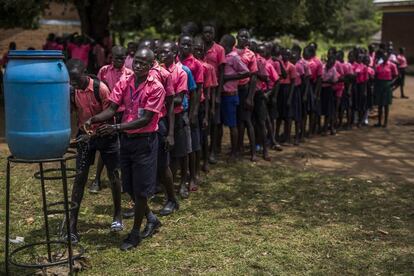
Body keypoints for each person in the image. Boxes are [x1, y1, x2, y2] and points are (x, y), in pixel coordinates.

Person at [84, 48, 164, 250]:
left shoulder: (156, 87)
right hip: (127, 140)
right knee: (128, 186)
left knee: (141, 190)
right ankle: (151, 218)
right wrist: (93, 119)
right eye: (136, 61)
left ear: (151, 65)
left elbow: (145, 119)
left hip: (144, 141)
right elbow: (111, 108)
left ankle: (135, 233)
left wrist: (115, 127)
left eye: (143, 63)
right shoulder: (126, 81)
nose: (137, 66)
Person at [66, 59, 123, 244]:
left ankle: (117, 215)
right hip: (85, 136)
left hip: (106, 135)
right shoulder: (72, 91)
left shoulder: (101, 89)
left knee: (114, 176)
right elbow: (71, 111)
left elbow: (110, 114)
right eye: (70, 80)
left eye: (75, 79)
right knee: (79, 178)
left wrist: (93, 130)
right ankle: (72, 225)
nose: (72, 83)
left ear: (85, 72)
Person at [89, 46, 132, 194]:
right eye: (116, 58)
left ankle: (122, 181)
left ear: (125, 58)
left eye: (122, 58)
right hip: (107, 113)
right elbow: (99, 90)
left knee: (123, 147)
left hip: (123, 114)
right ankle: (97, 179)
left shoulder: (130, 74)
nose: (119, 60)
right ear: (111, 57)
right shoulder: (104, 71)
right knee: (105, 147)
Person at [158, 40, 188, 211]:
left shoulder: (180, 72)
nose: (162, 55)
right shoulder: (158, 71)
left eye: (166, 52)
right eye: (160, 52)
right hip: (161, 116)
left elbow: (178, 98)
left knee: (176, 154)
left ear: (174, 53)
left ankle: (171, 192)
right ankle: (163, 186)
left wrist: (159, 98)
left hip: (175, 116)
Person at [177, 34, 204, 193]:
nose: (185, 48)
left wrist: (194, 112)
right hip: (178, 107)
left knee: (192, 145)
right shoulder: (174, 60)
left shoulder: (196, 64)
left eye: (189, 45)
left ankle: (193, 176)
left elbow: (198, 89)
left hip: (192, 106)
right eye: (183, 45)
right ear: (178, 44)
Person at [220, 34, 250, 160]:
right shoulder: (222, 56)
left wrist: (229, 78)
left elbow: (246, 72)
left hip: (231, 95)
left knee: (233, 125)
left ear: (227, 45)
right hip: (221, 95)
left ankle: (235, 151)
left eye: (222, 43)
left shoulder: (234, 57)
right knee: (220, 123)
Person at [201, 23, 226, 165]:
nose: (207, 35)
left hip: (214, 88)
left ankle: (213, 151)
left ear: (214, 34)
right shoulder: (199, 47)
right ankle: (203, 152)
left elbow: (222, 72)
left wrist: (218, 94)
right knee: (203, 123)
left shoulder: (219, 49)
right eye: (205, 32)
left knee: (214, 122)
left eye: (210, 32)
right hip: (201, 88)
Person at [193, 36, 217, 172]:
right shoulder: (187, 65)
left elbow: (208, 92)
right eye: (195, 49)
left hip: (202, 105)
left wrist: (208, 113)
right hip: (190, 104)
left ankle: (206, 159)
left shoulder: (208, 68)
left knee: (203, 135)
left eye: (200, 50)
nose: (197, 52)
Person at [235, 29, 257, 161]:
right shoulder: (231, 51)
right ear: (237, 37)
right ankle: (238, 148)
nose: (243, 39)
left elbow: (254, 77)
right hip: (232, 90)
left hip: (245, 90)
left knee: (247, 121)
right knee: (238, 122)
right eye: (241, 36)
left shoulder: (251, 54)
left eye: (246, 37)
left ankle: (253, 151)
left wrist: (250, 97)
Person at [252, 43, 272, 159]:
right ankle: (254, 149)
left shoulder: (259, 61)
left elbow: (265, 77)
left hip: (258, 94)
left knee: (261, 123)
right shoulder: (244, 59)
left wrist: (254, 73)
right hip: (247, 93)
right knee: (251, 123)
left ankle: (265, 150)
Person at [276, 48, 297, 145]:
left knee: (288, 117)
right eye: (284, 55)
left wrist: (289, 98)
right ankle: (276, 136)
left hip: (287, 90)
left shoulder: (292, 66)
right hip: (279, 89)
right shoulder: (278, 64)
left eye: (288, 55)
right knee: (279, 116)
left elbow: (293, 83)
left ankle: (287, 138)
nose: (286, 57)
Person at [374, 52, 398, 128]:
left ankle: (385, 122)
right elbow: (376, 75)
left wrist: (392, 83)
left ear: (388, 57)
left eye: (386, 56)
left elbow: (396, 76)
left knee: (386, 104)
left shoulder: (392, 65)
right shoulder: (378, 65)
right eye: (383, 56)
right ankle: (379, 122)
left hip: (387, 85)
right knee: (380, 104)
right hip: (379, 85)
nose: (384, 57)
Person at [321, 55, 338, 135]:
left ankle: (327, 128)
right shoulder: (322, 67)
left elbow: (334, 81)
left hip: (329, 90)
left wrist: (325, 82)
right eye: (330, 62)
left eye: (333, 63)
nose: (331, 64)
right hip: (321, 90)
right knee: (322, 109)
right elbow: (320, 79)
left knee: (329, 110)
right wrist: (328, 81)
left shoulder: (334, 69)